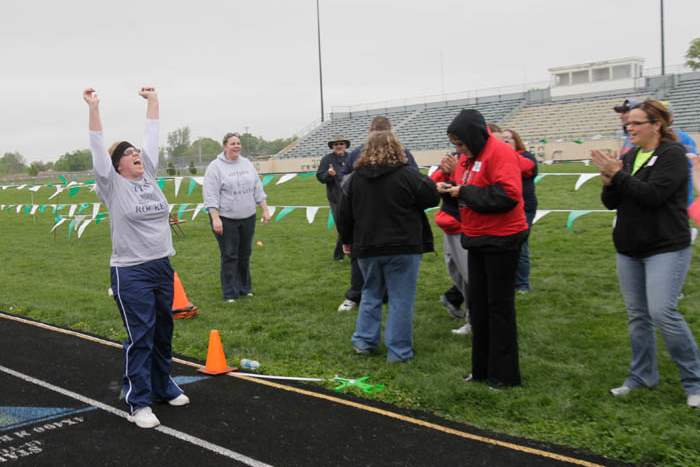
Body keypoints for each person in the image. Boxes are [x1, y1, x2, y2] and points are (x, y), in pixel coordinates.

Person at [83, 87, 189, 429]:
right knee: (141, 334)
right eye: (128, 153)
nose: (136, 154)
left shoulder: (151, 177)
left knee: (163, 330)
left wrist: (155, 102)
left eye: (137, 151)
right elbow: (98, 148)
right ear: (117, 166)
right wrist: (94, 107)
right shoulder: (112, 185)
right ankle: (138, 400)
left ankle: (163, 383)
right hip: (130, 272)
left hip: (161, 265)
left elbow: (152, 135)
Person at [591, 99, 700, 409]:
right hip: (629, 248)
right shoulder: (630, 156)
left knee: (662, 312)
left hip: (666, 246)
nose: (630, 127)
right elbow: (612, 202)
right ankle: (642, 376)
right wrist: (609, 180)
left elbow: (654, 196)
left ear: (657, 125)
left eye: (637, 122)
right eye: (629, 123)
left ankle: (694, 382)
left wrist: (619, 176)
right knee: (638, 316)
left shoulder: (672, 155)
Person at [436, 109, 528, 387]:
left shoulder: (499, 153)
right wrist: (450, 187)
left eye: (461, 144)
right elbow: (468, 187)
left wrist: (463, 193)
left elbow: (507, 195)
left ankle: (504, 375)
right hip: (475, 237)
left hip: (502, 239)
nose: (458, 150)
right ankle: (481, 370)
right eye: (456, 145)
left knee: (498, 308)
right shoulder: (468, 158)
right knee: (479, 305)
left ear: (474, 136)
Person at [339, 131, 439, 363]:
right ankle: (399, 351)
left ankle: (364, 341)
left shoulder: (354, 179)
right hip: (403, 247)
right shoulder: (407, 175)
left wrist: (346, 240)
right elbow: (432, 197)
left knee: (370, 293)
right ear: (397, 148)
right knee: (400, 298)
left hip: (367, 247)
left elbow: (344, 214)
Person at [336, 115, 418, 312]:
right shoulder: (357, 153)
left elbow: (345, 185)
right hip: (388, 216)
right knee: (366, 259)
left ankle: (369, 296)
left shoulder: (402, 153)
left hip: (369, 216)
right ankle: (359, 295)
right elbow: (346, 182)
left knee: (365, 258)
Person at [203, 132, 271, 302]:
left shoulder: (247, 163)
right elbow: (210, 194)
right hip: (225, 218)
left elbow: (257, 187)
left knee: (245, 253)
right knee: (230, 254)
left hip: (247, 216)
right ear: (225, 146)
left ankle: (244, 288)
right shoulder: (215, 167)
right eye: (233, 143)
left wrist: (264, 209)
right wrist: (215, 218)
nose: (236, 146)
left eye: (238, 143)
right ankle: (230, 293)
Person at [430, 157, 470, 335]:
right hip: (450, 227)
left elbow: (474, 190)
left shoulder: (478, 161)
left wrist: (455, 173)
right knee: (457, 273)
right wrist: (444, 173)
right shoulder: (458, 159)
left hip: (466, 228)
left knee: (470, 277)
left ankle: (475, 321)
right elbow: (430, 186)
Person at [502, 129, 538, 292]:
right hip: (506, 207)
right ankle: (509, 280)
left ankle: (523, 284)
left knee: (521, 245)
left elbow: (528, 170)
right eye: (502, 139)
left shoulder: (527, 157)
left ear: (516, 140)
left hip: (525, 207)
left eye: (509, 139)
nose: (506, 141)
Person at [316, 135, 351, 261]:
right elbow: (320, 177)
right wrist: (328, 174)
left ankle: (341, 254)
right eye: (336, 144)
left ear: (345, 145)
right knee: (342, 225)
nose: (339, 146)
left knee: (352, 224)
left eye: (341, 143)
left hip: (352, 196)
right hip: (336, 197)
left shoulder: (351, 157)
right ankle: (342, 254)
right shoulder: (327, 159)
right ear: (332, 146)